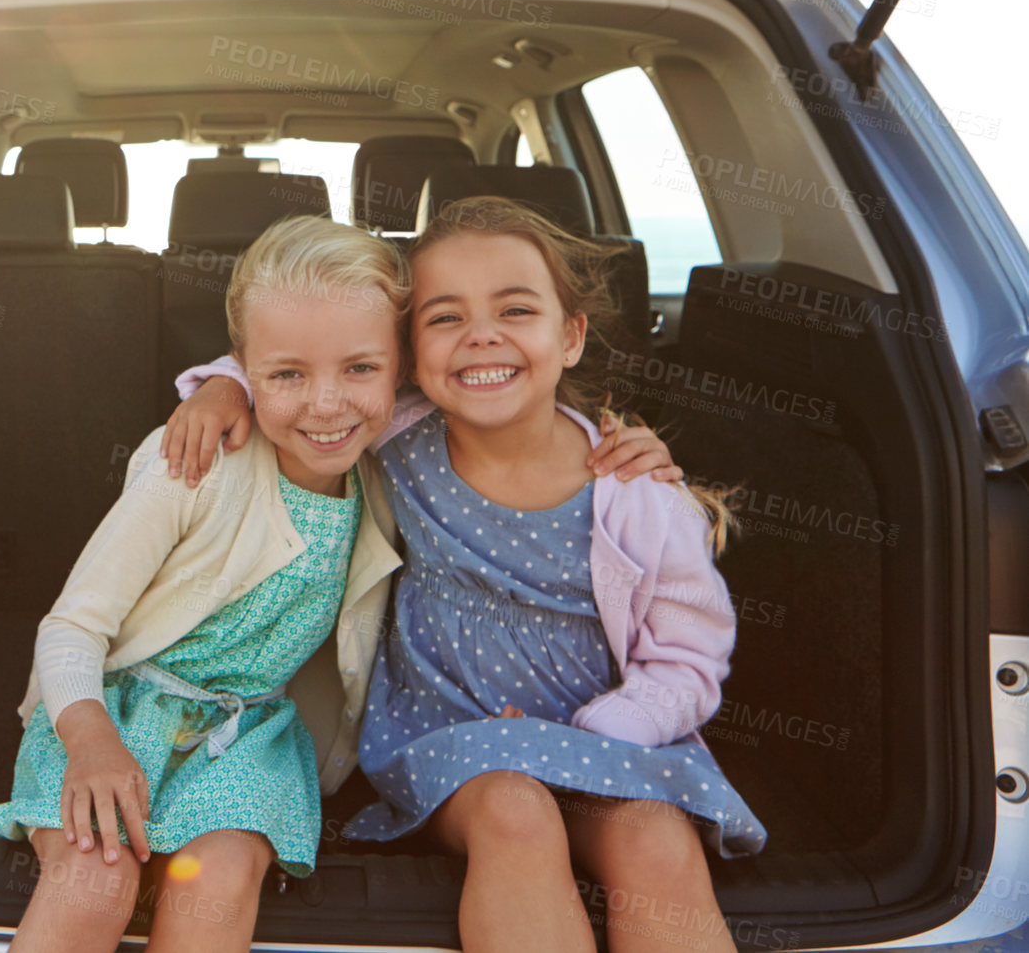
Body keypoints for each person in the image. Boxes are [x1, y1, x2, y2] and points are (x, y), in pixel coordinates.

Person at [167, 196, 765, 953]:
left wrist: (605, 731)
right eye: (445, 318)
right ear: (407, 353)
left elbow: (688, 658)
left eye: (516, 310)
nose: (482, 335)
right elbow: (305, 360)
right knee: (516, 812)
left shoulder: (640, 495)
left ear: (571, 335)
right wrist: (225, 386)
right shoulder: (393, 429)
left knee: (658, 842)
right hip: (447, 730)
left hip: (608, 731)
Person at [0, 214, 410, 953]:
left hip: (247, 735)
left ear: (402, 365)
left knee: (217, 881)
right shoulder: (193, 462)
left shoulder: (389, 469)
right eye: (286, 375)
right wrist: (90, 743)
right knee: (96, 874)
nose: (327, 404)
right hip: (111, 711)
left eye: (360, 369)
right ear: (243, 366)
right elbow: (72, 626)